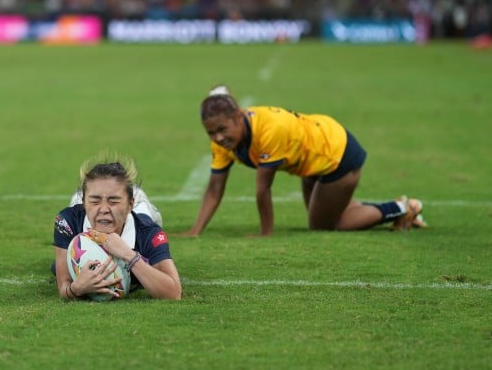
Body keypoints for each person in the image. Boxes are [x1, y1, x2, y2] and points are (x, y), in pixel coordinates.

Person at [182, 86, 425, 237]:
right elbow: (215, 189)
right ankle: (398, 206)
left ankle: (404, 208)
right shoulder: (223, 142)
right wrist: (195, 231)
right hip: (309, 161)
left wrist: (265, 233)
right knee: (324, 214)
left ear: (238, 116)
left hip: (335, 154)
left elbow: (263, 189)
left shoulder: (269, 130)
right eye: (211, 133)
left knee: (325, 225)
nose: (218, 138)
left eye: (222, 129)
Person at [53, 154, 182, 300]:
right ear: (84, 203)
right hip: (87, 208)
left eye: (113, 201)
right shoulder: (68, 223)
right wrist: (75, 289)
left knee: (144, 213)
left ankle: (138, 201)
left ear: (130, 204)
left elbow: (174, 293)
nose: (104, 209)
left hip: (140, 214)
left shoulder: (149, 234)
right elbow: (64, 287)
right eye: (95, 201)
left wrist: (129, 255)